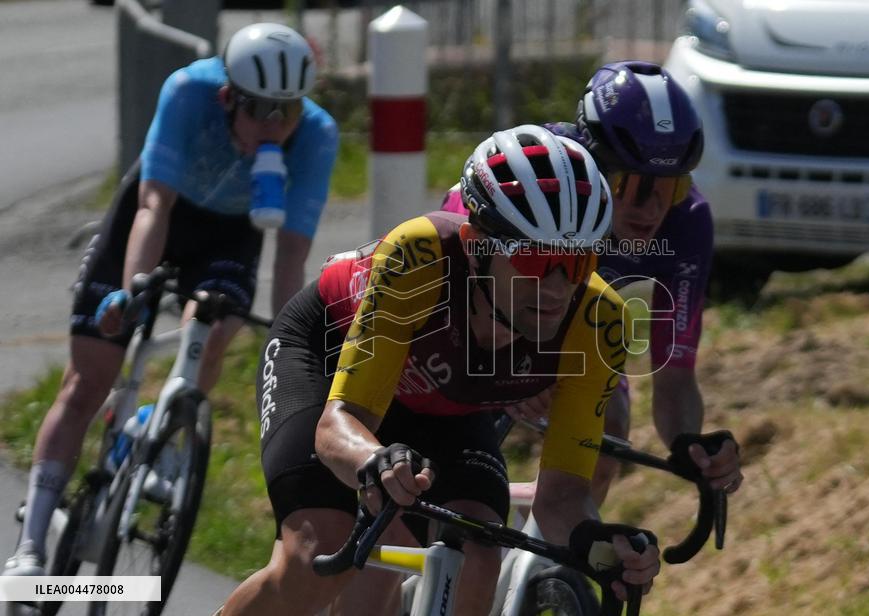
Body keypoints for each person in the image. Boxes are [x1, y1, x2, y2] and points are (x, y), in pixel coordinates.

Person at [221, 125, 660, 616]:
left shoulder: (600, 319)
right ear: (477, 247)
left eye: (578, 263)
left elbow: (561, 500)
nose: (558, 287)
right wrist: (375, 459)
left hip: (442, 405)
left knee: (479, 546)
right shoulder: (418, 256)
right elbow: (337, 425)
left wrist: (602, 543)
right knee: (316, 554)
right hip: (329, 362)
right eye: (536, 259)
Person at [3, 22, 339, 576]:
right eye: (260, 110)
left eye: (289, 109)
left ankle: (164, 434)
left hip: (229, 235)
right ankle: (31, 548)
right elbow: (152, 206)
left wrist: (289, 343)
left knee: (213, 327)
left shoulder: (318, 136)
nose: (275, 127)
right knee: (89, 378)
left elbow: (290, 258)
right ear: (228, 96)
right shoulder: (188, 90)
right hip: (160, 214)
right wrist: (132, 292)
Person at [442, 61, 742, 504]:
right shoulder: (532, 173)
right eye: (630, 185)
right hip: (481, 322)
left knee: (609, 432)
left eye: (671, 188)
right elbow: (453, 294)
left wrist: (691, 449)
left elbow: (675, 375)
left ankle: (552, 558)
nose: (652, 208)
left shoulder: (688, 223)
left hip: (576, 328)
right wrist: (516, 365)